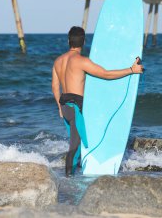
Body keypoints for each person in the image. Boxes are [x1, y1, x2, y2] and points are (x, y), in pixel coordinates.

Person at [51, 26, 143, 176]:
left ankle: (74, 174)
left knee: (77, 142)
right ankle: (68, 180)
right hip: (76, 108)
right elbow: (106, 74)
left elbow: (55, 86)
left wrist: (59, 107)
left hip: (65, 106)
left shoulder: (58, 61)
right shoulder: (82, 61)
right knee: (75, 146)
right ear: (84, 42)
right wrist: (131, 70)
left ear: (69, 41)